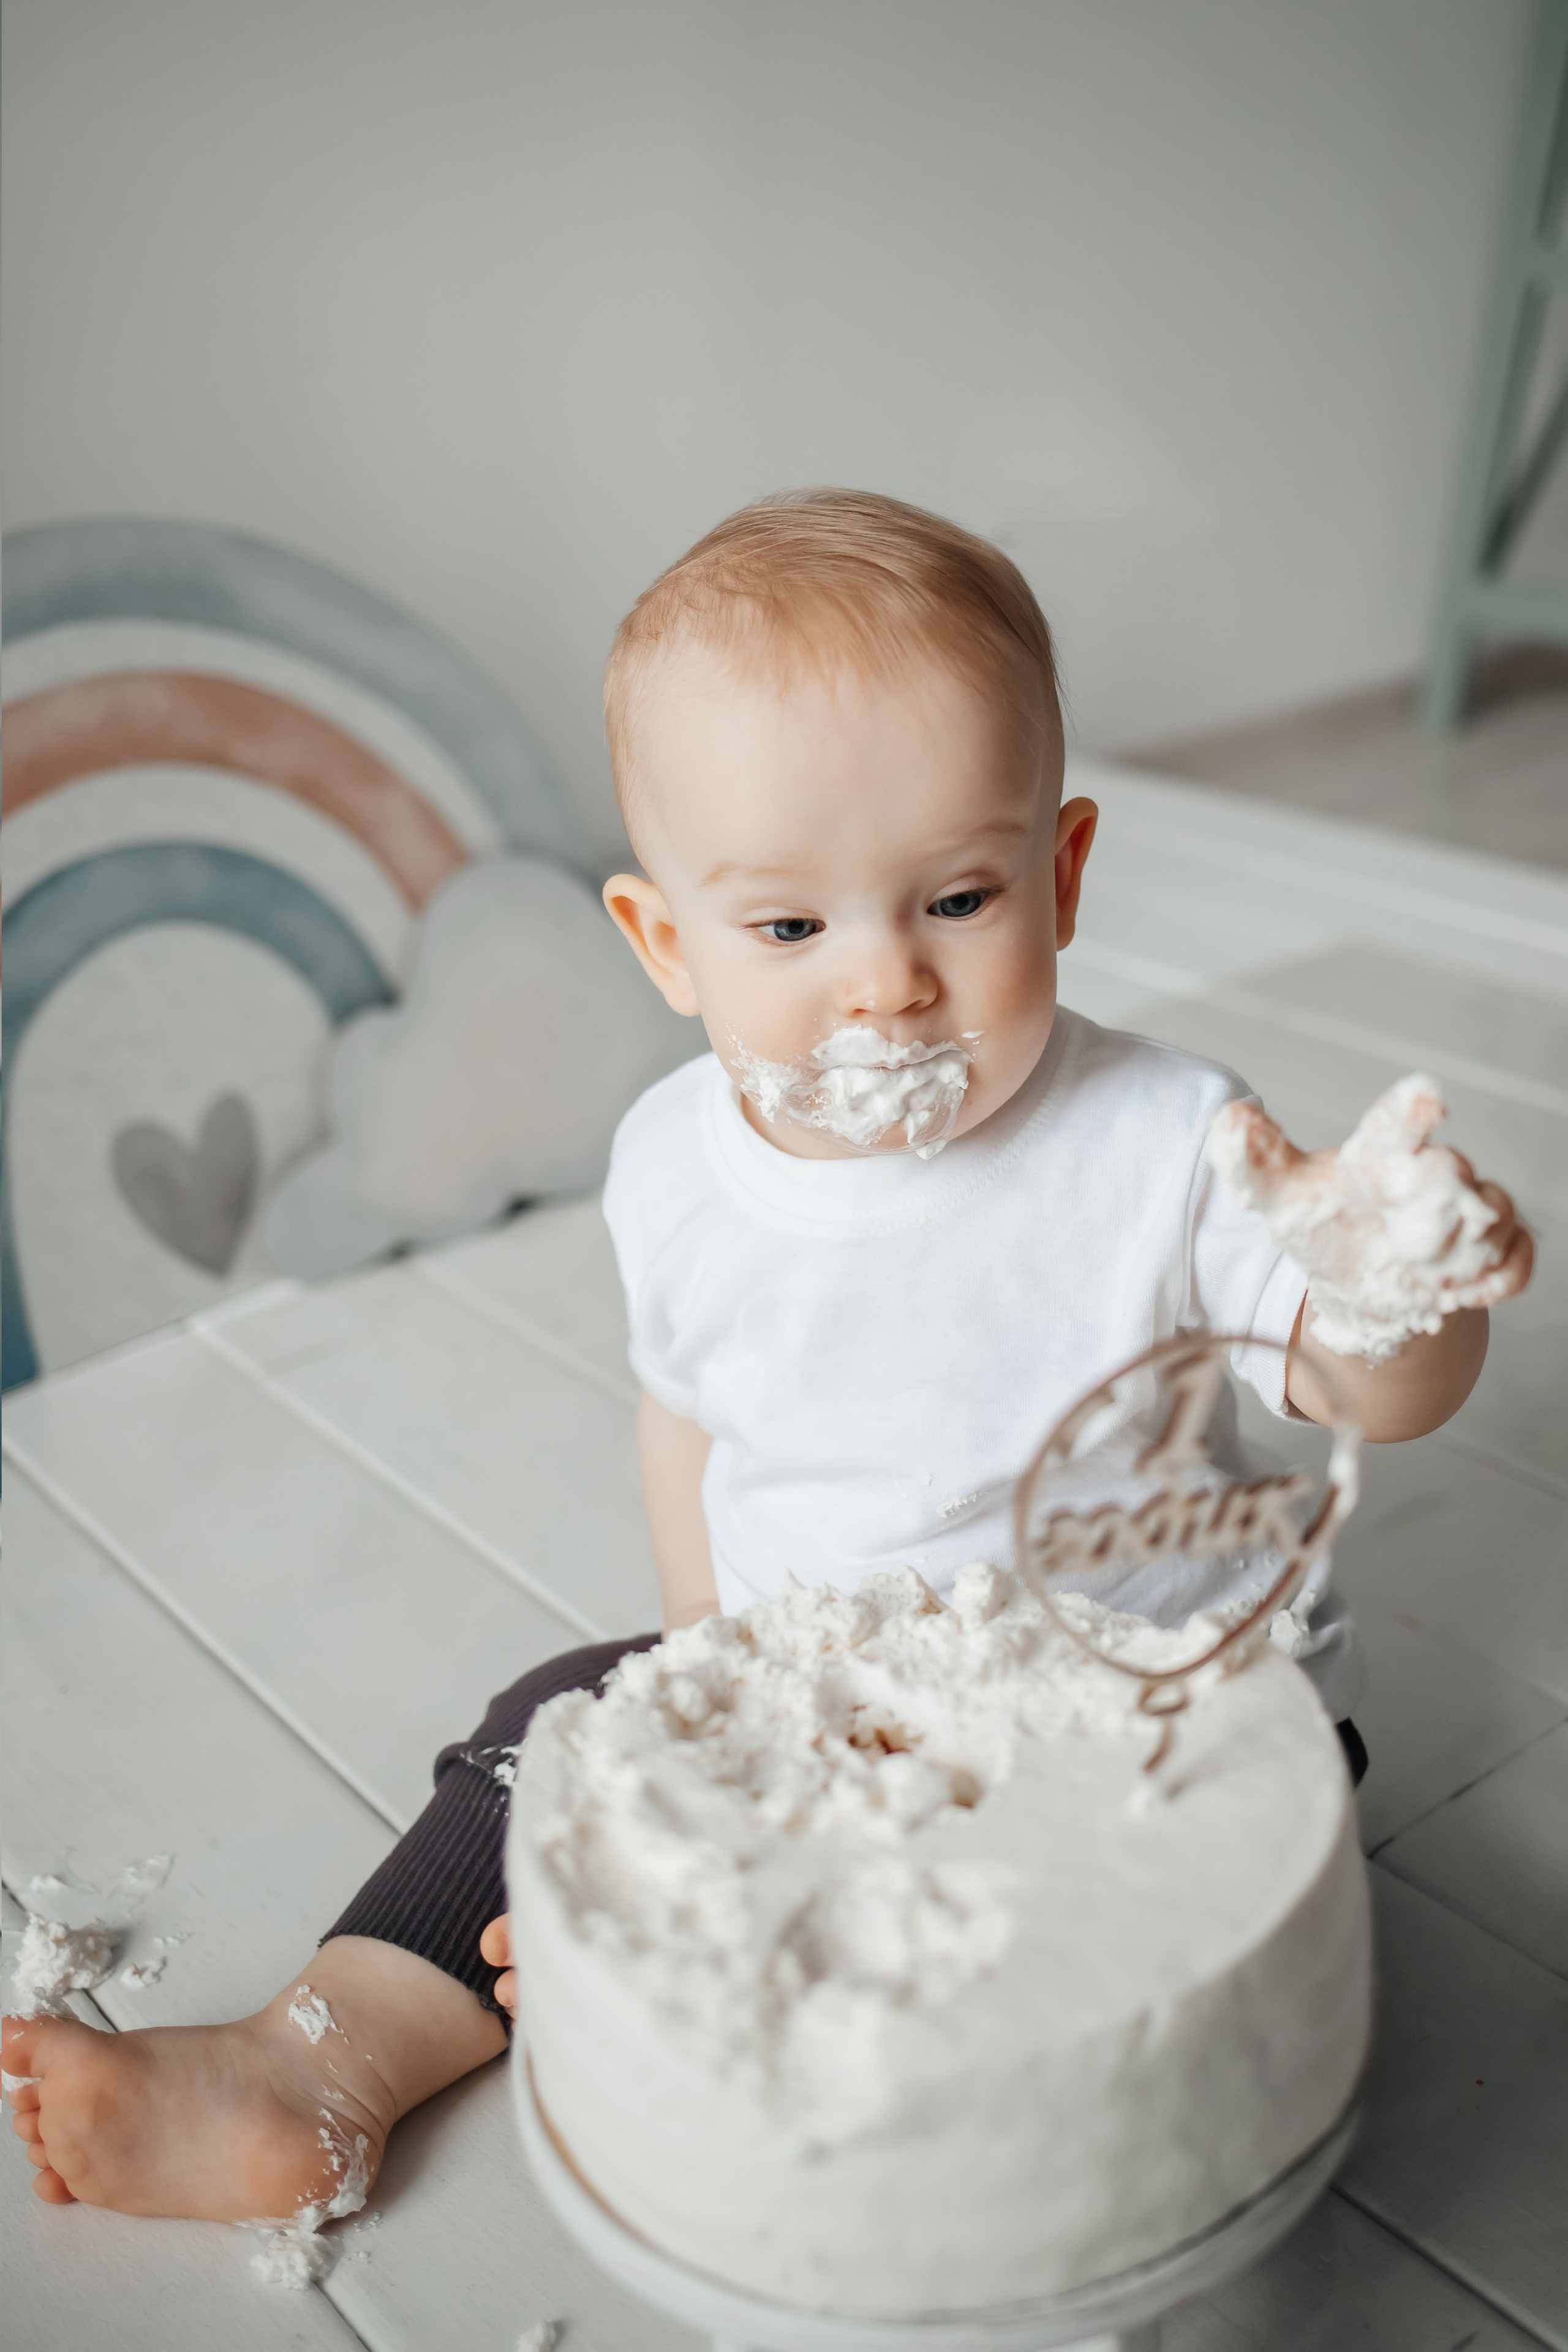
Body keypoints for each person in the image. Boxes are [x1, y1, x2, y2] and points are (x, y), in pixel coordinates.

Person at [4, 491, 1532, 2228]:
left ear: (1065, 873)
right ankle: (330, 2057)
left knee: (1142, 1935)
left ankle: (866, 2035)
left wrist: (1400, 1290)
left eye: (958, 897)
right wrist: (710, 1679)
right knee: (550, 1734)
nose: (884, 986)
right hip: (835, 1691)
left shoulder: (1171, 1143)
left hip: (1153, 1704)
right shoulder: (671, 1166)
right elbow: (690, 1420)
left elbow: (1369, 1396)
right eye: (790, 931)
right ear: (669, 947)